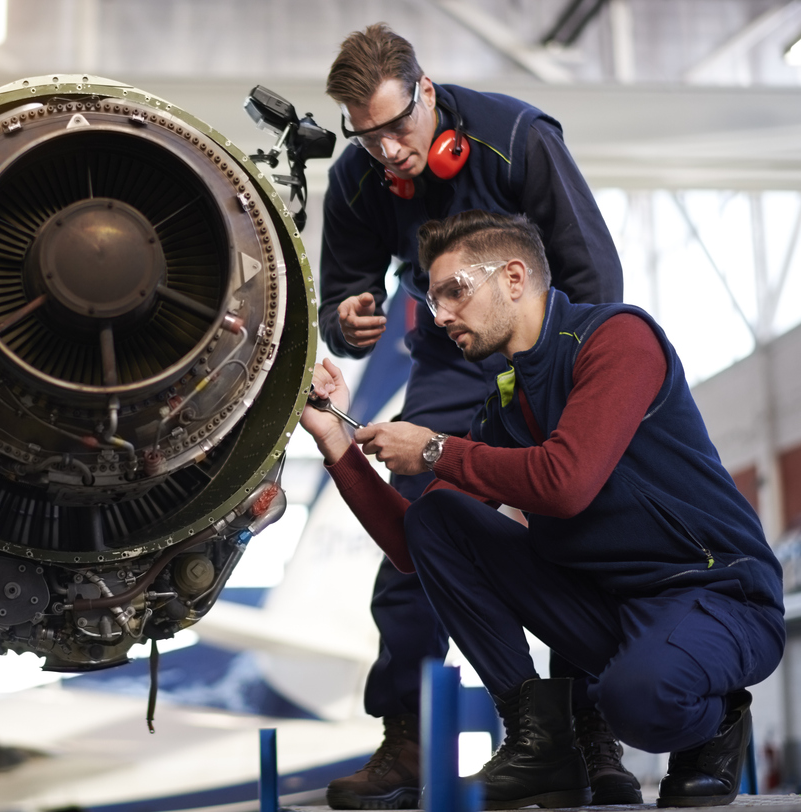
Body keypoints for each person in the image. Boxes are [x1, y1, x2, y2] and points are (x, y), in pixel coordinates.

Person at [302, 210, 784, 809]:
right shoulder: (505, 406)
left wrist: (434, 448)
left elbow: (567, 483)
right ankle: (541, 743)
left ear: (512, 277)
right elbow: (411, 547)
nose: (442, 315)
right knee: (437, 519)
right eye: (433, 301)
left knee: (637, 702)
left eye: (455, 291)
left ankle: (717, 722)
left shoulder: (617, 339)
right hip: (611, 610)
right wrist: (335, 443)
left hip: (714, 595)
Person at [317, 23, 635, 809]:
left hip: (550, 355)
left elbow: (594, 272)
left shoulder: (517, 138)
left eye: (398, 127)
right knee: (417, 529)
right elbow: (338, 300)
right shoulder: (358, 180)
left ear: (427, 93)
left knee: (577, 534)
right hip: (451, 364)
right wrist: (346, 320)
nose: (387, 150)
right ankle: (408, 735)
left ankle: (591, 735)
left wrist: (572, 392)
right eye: (368, 136)